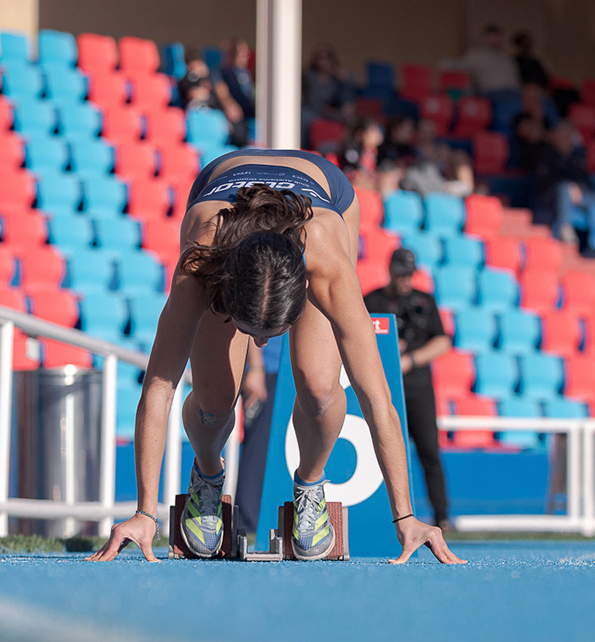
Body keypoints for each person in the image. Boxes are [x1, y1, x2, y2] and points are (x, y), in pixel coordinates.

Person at [87, 149, 463, 565]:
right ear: (225, 293)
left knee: (320, 388)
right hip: (220, 188)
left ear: (304, 291)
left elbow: (377, 398)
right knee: (214, 401)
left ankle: (311, 485)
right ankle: (208, 476)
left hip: (327, 191)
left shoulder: (325, 258)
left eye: (273, 333)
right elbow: (159, 387)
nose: (262, 346)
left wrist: (406, 516)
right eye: (251, 333)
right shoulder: (202, 259)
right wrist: (144, 511)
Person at [364, 248, 453, 530]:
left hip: (417, 387)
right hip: (382, 385)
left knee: (429, 451)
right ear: (390, 270)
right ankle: (379, 515)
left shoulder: (424, 302)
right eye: (400, 274)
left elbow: (443, 341)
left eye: (409, 275)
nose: (404, 280)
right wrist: (388, 354)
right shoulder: (373, 300)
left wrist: (409, 360)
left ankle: (441, 515)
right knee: (379, 447)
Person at [235, 335, 284, 535]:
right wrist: (255, 368)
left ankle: (258, 524)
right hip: (268, 367)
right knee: (258, 450)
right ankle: (246, 525)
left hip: (288, 365)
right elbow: (248, 309)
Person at [178, 48, 248, 148]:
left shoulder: (209, 78)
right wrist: (204, 92)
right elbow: (193, 94)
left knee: (236, 119)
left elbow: (220, 90)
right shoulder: (190, 77)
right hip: (202, 111)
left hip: (216, 110)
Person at [455, 23, 519, 96]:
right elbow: (456, 65)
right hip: (492, 93)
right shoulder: (476, 54)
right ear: (484, 37)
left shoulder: (505, 58)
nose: (494, 39)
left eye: (497, 36)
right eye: (491, 35)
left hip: (513, 92)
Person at [219, 38, 255, 122]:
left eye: (245, 52)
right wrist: (229, 104)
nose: (245, 56)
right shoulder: (222, 72)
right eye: (240, 52)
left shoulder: (247, 73)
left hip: (251, 113)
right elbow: (221, 90)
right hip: (235, 117)